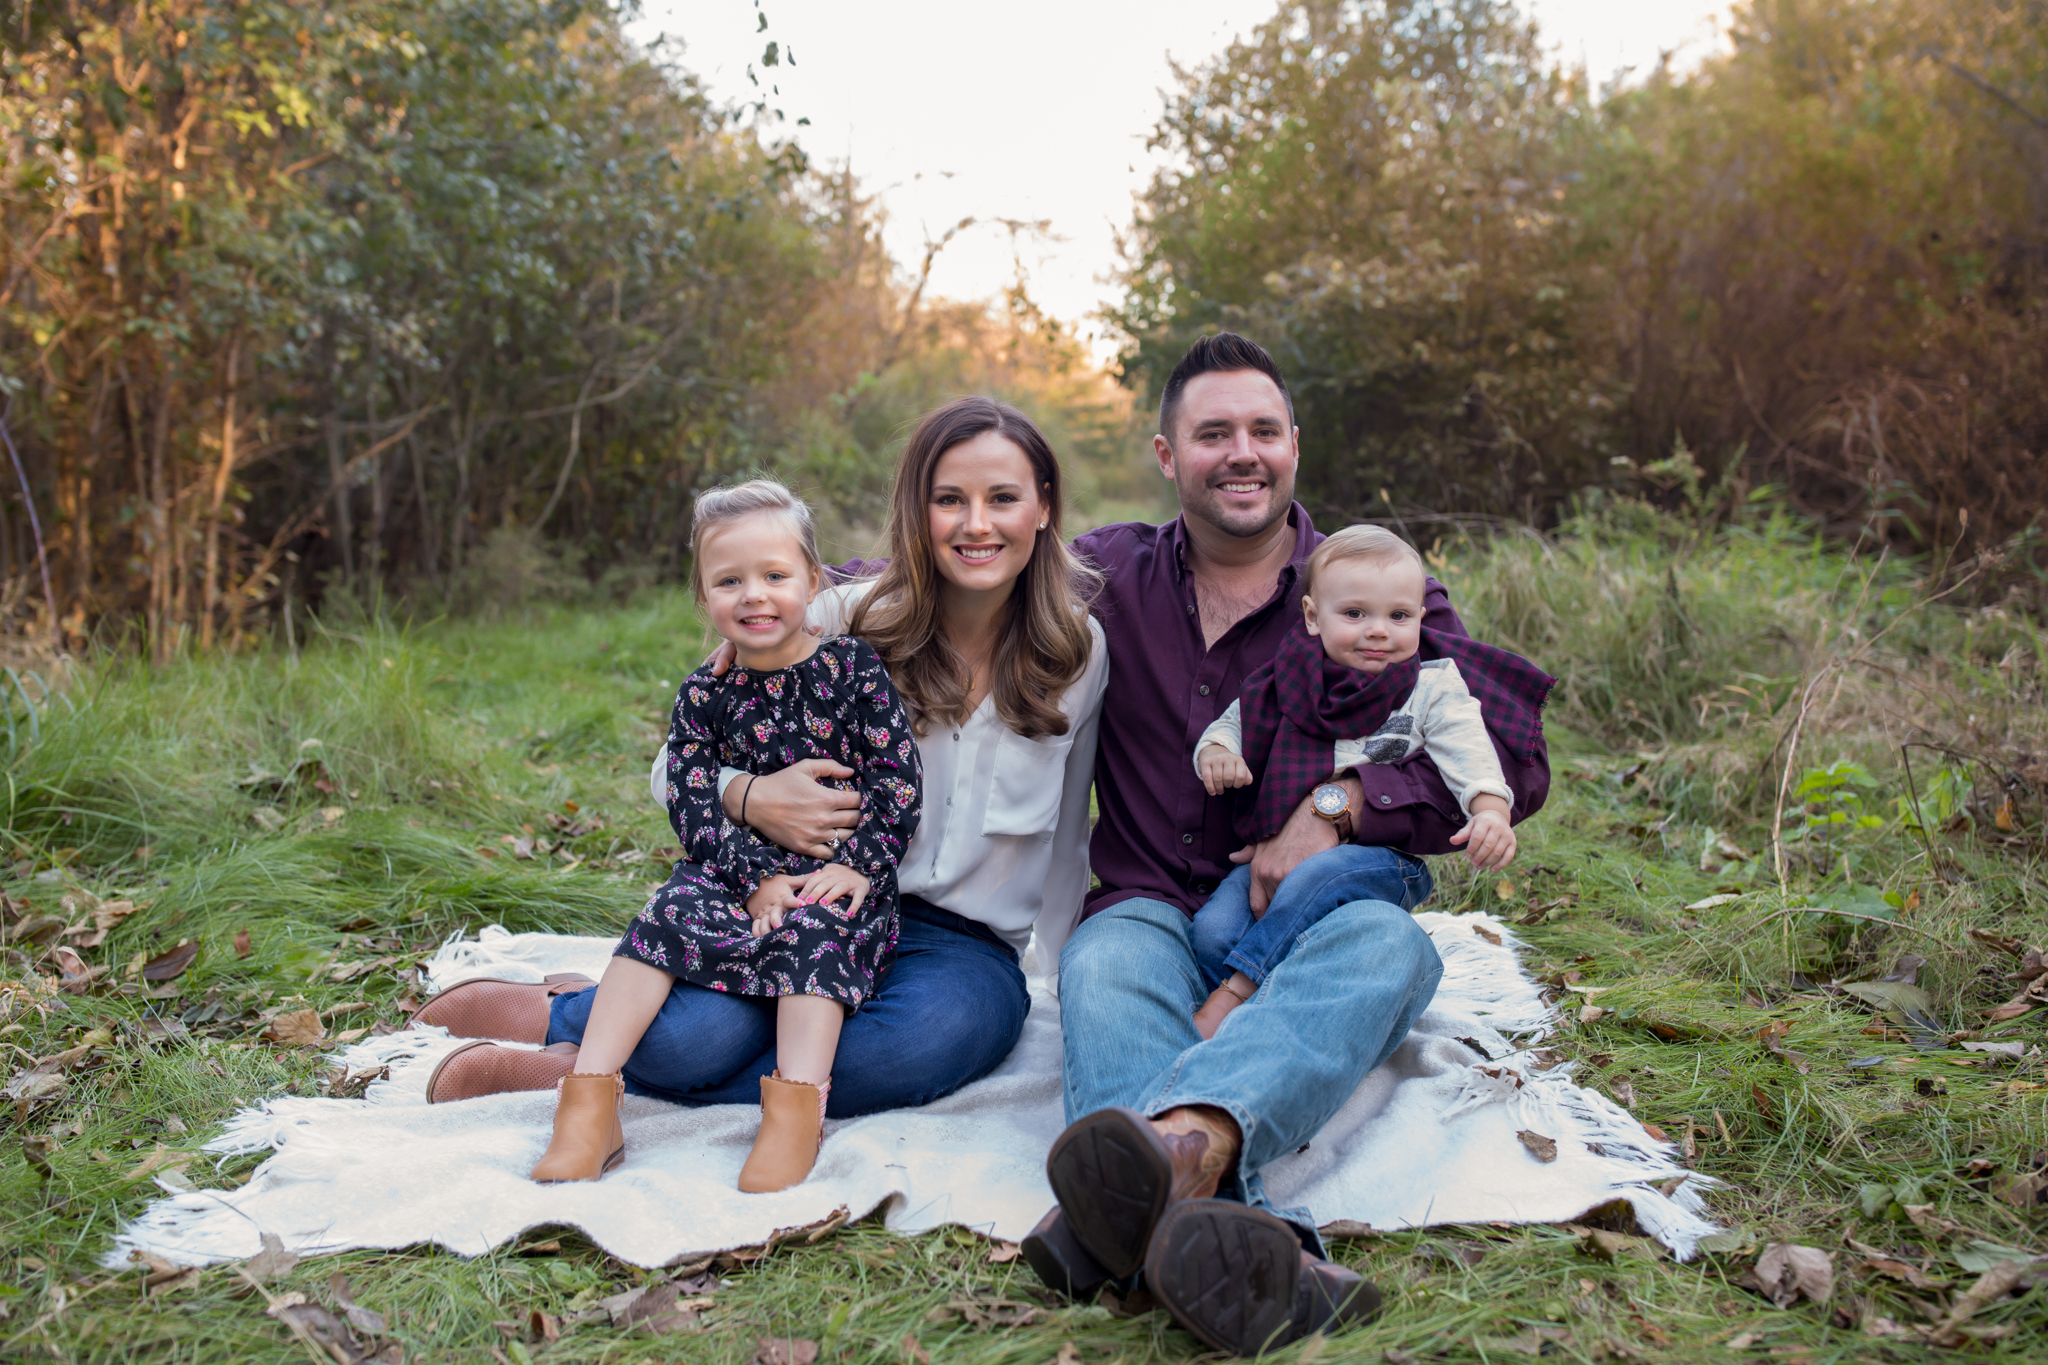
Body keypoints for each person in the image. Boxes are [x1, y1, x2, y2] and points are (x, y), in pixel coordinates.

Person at [1024, 332, 1552, 1356]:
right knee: (1100, 967)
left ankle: (1165, 1168)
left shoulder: (1369, 588)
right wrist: (790, 595)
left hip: (1301, 923)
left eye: (1262, 430)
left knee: (1395, 950)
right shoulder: (1105, 573)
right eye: (1211, 432)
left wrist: (1344, 802)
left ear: (1293, 448)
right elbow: (965, 563)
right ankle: (1232, 1211)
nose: (1241, 452)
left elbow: (1509, 761)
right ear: (1167, 456)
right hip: (1146, 902)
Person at [414, 398, 1108, 1129]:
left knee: (906, 1053)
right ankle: (571, 1014)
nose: (976, 524)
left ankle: (583, 1067)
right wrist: (751, 795)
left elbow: (1069, 837)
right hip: (806, 902)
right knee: (689, 1039)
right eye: (948, 500)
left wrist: (1060, 983)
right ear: (917, 510)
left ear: (1042, 507)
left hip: (964, 948)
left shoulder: (1078, 652)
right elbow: (672, 769)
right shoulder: (840, 618)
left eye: (1002, 498)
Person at [525, 479, 922, 1191]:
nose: (754, 596)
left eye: (774, 575)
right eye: (728, 580)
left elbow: (897, 773)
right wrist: (750, 880)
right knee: (665, 914)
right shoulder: (705, 691)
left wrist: (863, 864)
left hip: (830, 867)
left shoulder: (852, 669)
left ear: (812, 579)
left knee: (814, 931)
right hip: (731, 871)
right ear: (704, 596)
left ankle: (795, 1114)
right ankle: (589, 1102)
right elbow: (692, 797)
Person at [1185, 523, 1551, 1037]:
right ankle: (1280, 1013)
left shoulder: (1431, 685)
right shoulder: (1285, 678)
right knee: (1214, 933)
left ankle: (1235, 995)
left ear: (1421, 618)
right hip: (1274, 851)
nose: (1379, 630)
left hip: (1380, 859)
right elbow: (1229, 724)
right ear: (1313, 617)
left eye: (1399, 616)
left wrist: (1490, 808)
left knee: (1320, 879)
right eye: (1355, 614)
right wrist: (1219, 752)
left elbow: (1470, 749)